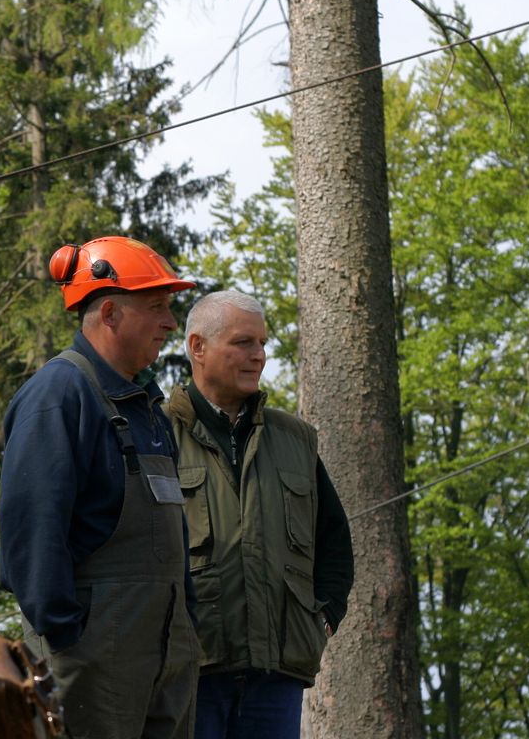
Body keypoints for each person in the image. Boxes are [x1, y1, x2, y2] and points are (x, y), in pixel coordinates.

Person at [0, 236, 200, 739]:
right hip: (90, 662)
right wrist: (69, 641)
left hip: (165, 657)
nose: (171, 323)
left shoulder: (145, 405)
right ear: (109, 313)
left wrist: (186, 629)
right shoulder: (59, 394)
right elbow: (31, 537)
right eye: (157, 307)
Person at [165, 289, 354, 739]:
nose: (260, 356)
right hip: (190, 675)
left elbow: (335, 542)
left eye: (263, 344)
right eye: (243, 343)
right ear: (198, 347)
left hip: (276, 680)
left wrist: (321, 621)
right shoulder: (156, 434)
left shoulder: (295, 438)